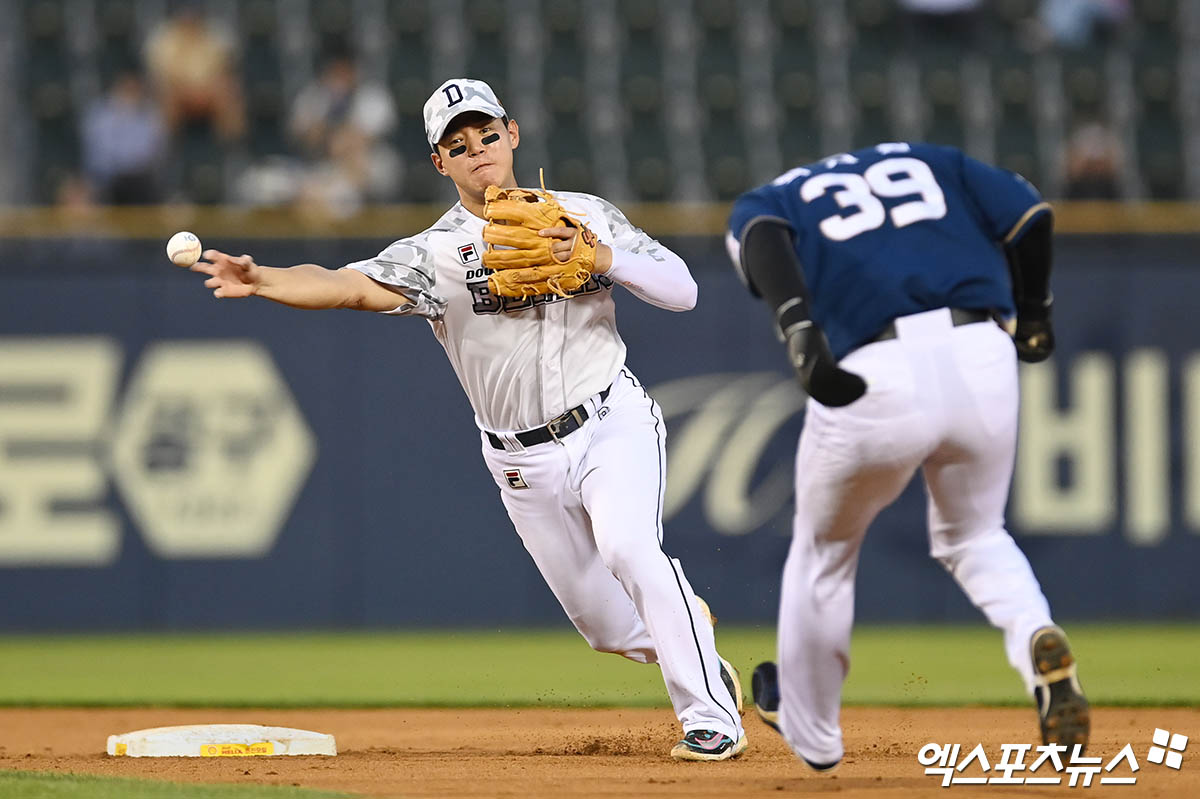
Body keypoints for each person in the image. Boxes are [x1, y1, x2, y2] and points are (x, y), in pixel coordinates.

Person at [188, 78, 746, 761]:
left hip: (611, 420)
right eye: (459, 144)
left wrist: (599, 257)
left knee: (630, 547)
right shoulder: (437, 254)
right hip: (521, 460)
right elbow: (347, 285)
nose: (478, 151)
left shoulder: (581, 215)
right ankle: (691, 633)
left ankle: (708, 717)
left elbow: (684, 290)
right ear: (439, 163)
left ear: (512, 134)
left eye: (487, 135)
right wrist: (266, 278)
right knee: (605, 627)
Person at [724, 142, 1088, 770]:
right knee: (976, 534)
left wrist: (800, 328)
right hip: (982, 349)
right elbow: (1031, 214)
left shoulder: (776, 195)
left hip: (874, 365)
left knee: (825, 553)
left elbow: (759, 236)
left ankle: (813, 736)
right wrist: (1035, 313)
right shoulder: (937, 162)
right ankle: (1035, 639)